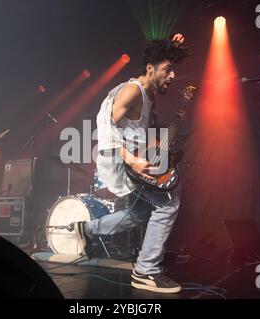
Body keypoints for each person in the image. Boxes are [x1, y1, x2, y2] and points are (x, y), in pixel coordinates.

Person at [73, 39, 189, 293]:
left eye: (173, 70)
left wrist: (158, 147)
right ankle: (146, 270)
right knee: (169, 202)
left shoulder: (149, 95)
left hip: (135, 157)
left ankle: (87, 229)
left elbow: (137, 132)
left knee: (138, 213)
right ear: (150, 68)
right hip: (121, 160)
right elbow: (104, 126)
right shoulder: (133, 90)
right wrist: (131, 159)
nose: (173, 75)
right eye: (167, 69)